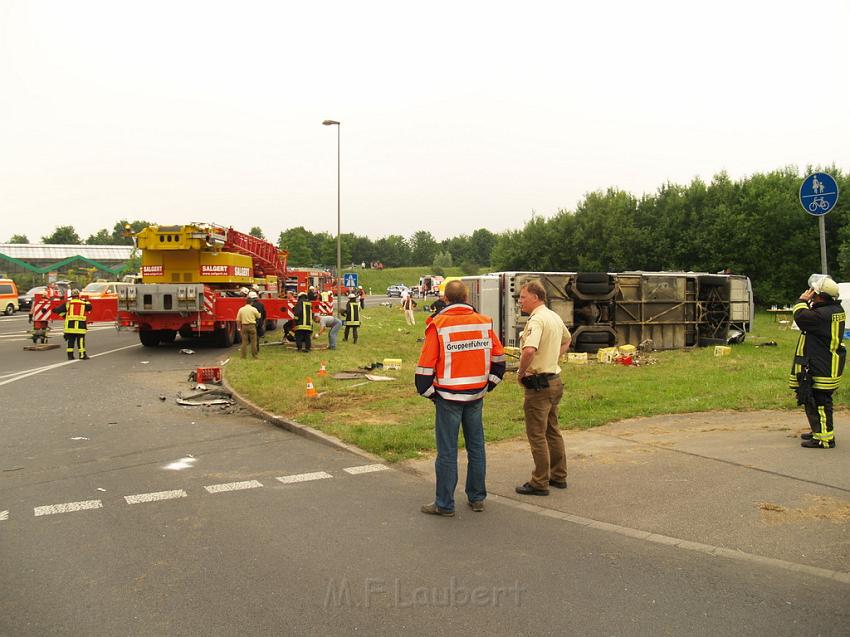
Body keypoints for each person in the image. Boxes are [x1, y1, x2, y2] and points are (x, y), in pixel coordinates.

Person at [415, 280, 506, 516]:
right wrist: (490, 384)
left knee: (447, 452)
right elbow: (499, 359)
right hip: (476, 394)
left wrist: (430, 394)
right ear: (467, 297)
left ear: (445, 299)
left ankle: (444, 504)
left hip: (448, 396)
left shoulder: (438, 325)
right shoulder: (484, 322)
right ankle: (477, 498)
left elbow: (425, 367)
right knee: (476, 447)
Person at [514, 280, 572, 496]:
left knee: (537, 434)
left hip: (539, 384)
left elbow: (529, 350)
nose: (520, 301)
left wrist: (521, 373)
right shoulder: (553, 316)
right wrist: (553, 356)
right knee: (552, 430)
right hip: (555, 379)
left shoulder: (537, 320)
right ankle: (559, 475)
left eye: (523, 297)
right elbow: (568, 339)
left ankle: (540, 481)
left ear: (535, 297)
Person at [789, 274, 846, 449]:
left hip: (822, 366)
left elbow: (800, 316)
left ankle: (825, 439)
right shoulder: (834, 310)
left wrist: (801, 300)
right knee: (813, 398)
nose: (811, 294)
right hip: (827, 363)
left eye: (814, 292)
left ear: (820, 295)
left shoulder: (820, 315)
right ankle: (818, 431)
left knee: (819, 401)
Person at [54, 289, 92, 360]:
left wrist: (64, 316)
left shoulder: (68, 304)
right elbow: (90, 307)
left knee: (70, 341)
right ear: (79, 296)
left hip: (70, 326)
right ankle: (82, 355)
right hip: (80, 326)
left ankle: (70, 356)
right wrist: (86, 300)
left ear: (72, 296)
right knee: (80, 341)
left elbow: (56, 310)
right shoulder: (83, 303)